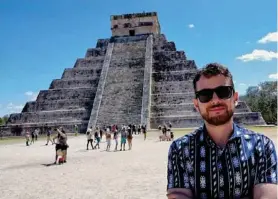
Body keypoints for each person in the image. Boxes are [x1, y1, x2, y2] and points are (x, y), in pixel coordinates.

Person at [166, 63, 278, 199]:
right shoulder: (180, 149)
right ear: (196, 104)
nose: (215, 100)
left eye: (223, 92)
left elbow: (268, 195)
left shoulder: (262, 146)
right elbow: (179, 195)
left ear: (235, 98)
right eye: (205, 95)